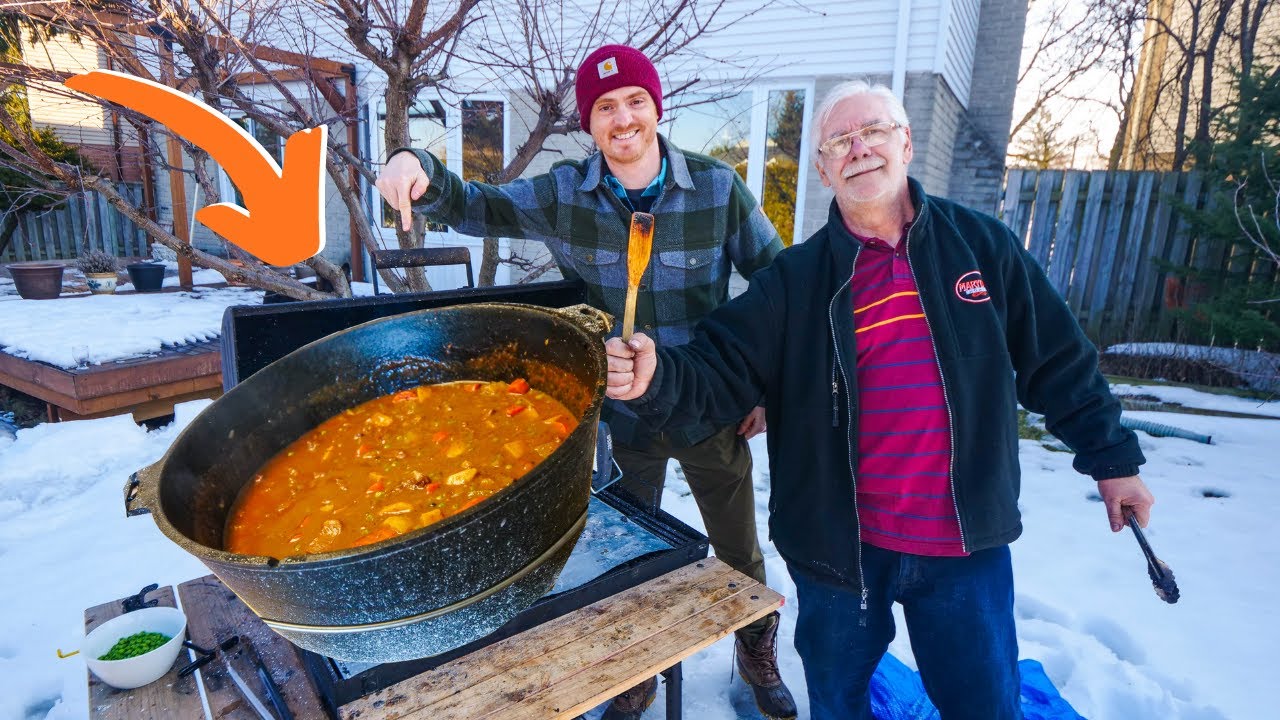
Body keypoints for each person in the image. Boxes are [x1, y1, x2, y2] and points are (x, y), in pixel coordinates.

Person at [603, 79, 1156, 720]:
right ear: (822, 166)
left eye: (873, 132)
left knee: (985, 706)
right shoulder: (795, 279)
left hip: (963, 547)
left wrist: (1113, 460)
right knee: (838, 706)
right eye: (839, 140)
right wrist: (655, 376)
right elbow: (717, 369)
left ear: (907, 142)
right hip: (839, 554)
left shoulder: (982, 248)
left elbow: (1058, 360)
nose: (858, 148)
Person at [374, 44, 797, 720]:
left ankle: (755, 651)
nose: (622, 118)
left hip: (710, 408)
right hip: (623, 415)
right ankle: (636, 673)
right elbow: (476, 206)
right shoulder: (567, 192)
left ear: (656, 108)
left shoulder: (717, 189)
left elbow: (782, 285)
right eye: (604, 107)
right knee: (630, 561)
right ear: (589, 123)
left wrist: (767, 384)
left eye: (634, 101)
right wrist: (415, 165)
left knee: (738, 548)